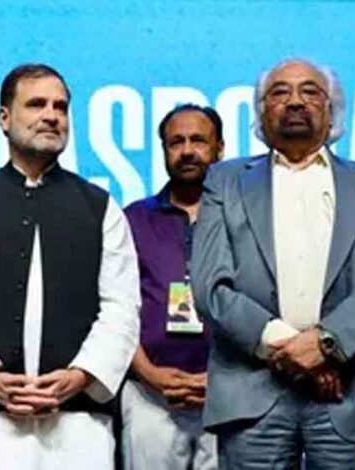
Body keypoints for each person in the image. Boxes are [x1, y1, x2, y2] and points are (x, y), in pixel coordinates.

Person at [191, 58, 355, 469]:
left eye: (310, 91)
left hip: (351, 389)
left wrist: (329, 342)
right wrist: (293, 348)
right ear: (261, 112)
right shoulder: (224, 180)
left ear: (332, 110)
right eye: (280, 92)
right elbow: (210, 285)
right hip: (252, 390)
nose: (295, 101)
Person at [0, 63, 140, 469]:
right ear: (4, 118)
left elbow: (122, 308)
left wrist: (82, 374)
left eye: (60, 107)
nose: (51, 115)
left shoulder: (100, 207)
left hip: (77, 424)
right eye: (37, 104)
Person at [121, 104, 223, 470]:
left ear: (220, 148)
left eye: (198, 140)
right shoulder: (133, 218)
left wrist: (224, 380)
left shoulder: (239, 216)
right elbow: (115, 309)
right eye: (176, 142)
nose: (187, 151)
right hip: (149, 394)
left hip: (227, 394)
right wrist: (149, 374)